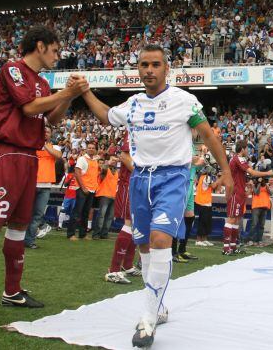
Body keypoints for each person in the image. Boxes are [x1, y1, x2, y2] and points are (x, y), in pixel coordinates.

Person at [80, 43, 234, 348]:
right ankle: (159, 308)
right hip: (141, 180)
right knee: (146, 249)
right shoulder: (133, 103)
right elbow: (106, 116)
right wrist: (85, 92)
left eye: (155, 64)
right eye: (143, 65)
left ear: (166, 69)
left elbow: (207, 134)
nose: (149, 70)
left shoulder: (183, 100)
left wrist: (225, 170)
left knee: (161, 240)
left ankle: (147, 320)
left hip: (173, 178)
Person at [0, 25, 89, 325]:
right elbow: (29, 106)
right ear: (41, 45)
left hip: (28, 157)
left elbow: (52, 118)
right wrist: (65, 91)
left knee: (19, 227)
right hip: (5, 154)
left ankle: (12, 291)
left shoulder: (44, 83)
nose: (58, 56)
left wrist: (70, 97)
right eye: (56, 50)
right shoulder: (12, 69)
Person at [225, 140, 273, 255]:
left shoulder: (238, 159)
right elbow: (252, 172)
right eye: (247, 148)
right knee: (232, 218)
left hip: (240, 192)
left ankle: (232, 246)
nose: (248, 151)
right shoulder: (238, 159)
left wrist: (246, 185)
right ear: (242, 149)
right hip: (235, 192)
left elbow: (239, 176)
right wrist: (267, 173)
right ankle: (226, 247)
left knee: (236, 220)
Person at [106, 132, 139, 285]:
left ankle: (127, 265)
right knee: (129, 223)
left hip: (138, 183)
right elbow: (125, 157)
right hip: (129, 182)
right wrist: (143, 174)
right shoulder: (133, 129)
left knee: (136, 224)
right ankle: (113, 270)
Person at [25, 127, 62, 248]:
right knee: (26, 213)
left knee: (38, 214)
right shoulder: (31, 145)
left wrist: (45, 145)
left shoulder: (54, 147)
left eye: (48, 132)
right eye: (43, 131)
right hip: (31, 183)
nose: (45, 133)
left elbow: (58, 155)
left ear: (51, 134)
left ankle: (29, 241)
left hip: (45, 186)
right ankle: (18, 239)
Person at [172, 142, 205, 263]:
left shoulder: (190, 144)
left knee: (190, 216)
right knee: (178, 217)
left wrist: (201, 157)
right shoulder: (182, 142)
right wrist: (193, 160)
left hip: (190, 182)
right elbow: (178, 161)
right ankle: (173, 252)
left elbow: (196, 166)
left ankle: (182, 249)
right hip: (183, 181)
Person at [68, 142, 99, 241]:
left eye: (93, 148)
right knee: (77, 212)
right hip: (83, 189)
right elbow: (77, 173)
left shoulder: (95, 160)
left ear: (95, 150)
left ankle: (83, 234)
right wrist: (83, 187)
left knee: (85, 213)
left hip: (91, 190)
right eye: (89, 148)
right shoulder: (82, 159)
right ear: (86, 149)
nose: (91, 149)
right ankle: (71, 234)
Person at [93, 156, 118, 239]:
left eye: (115, 160)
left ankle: (104, 234)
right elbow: (102, 168)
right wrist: (108, 163)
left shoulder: (117, 171)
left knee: (110, 217)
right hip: (105, 195)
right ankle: (96, 234)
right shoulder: (105, 169)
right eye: (112, 160)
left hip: (114, 196)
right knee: (101, 215)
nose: (114, 161)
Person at [248, 177, 273, 247]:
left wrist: (267, 187)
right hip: (256, 207)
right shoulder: (254, 185)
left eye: (262, 180)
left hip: (264, 207)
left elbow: (270, 193)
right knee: (254, 224)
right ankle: (251, 240)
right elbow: (257, 193)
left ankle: (259, 240)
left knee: (262, 225)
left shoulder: (266, 186)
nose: (262, 181)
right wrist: (259, 183)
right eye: (259, 179)